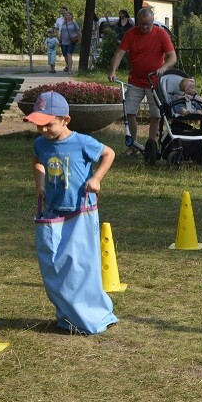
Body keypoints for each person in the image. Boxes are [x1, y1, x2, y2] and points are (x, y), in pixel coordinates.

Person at [27, 91, 118, 334]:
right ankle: (68, 314)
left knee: (81, 266)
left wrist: (97, 178)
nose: (43, 130)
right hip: (54, 212)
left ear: (65, 120)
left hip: (82, 212)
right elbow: (37, 160)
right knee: (56, 265)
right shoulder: (40, 143)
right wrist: (40, 184)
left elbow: (109, 153)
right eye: (39, 125)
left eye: (48, 124)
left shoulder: (82, 142)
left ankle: (91, 315)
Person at [108, 7, 177, 160]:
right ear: (137, 22)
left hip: (154, 81)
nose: (145, 27)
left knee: (156, 115)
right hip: (136, 81)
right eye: (142, 24)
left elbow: (172, 57)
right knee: (129, 112)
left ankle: (151, 146)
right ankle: (133, 145)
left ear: (153, 21)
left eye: (148, 24)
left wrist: (163, 67)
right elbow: (119, 53)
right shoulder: (131, 34)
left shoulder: (161, 34)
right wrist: (113, 70)